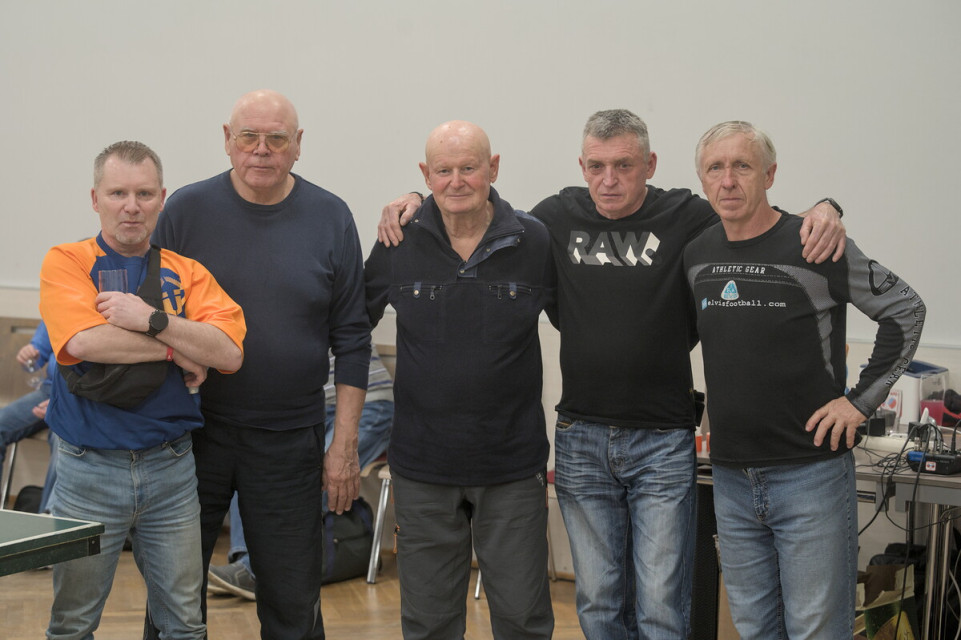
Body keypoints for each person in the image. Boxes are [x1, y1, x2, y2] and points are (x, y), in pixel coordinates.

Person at [377, 109, 846, 638]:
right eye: (596, 166)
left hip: (663, 439)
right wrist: (414, 200)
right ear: (582, 166)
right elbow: (473, 207)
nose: (609, 180)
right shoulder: (551, 219)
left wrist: (826, 207)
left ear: (650, 164)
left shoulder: (687, 215)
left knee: (660, 603)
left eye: (623, 165)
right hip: (581, 436)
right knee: (598, 602)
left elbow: (755, 214)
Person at [684, 121, 925, 638]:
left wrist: (860, 403)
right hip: (730, 478)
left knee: (816, 629)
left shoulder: (816, 243)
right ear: (701, 180)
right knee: (755, 627)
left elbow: (905, 310)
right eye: (715, 168)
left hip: (810, 477)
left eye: (742, 166)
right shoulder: (697, 254)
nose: (728, 180)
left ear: (770, 174)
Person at [147, 89, 371, 639]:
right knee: (173, 597)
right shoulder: (185, 211)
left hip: (290, 439)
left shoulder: (331, 216)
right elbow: (152, 315)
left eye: (276, 138)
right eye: (248, 136)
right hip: (191, 434)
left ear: (298, 144)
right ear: (227, 140)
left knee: (293, 601)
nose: (261, 149)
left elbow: (352, 340)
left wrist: (343, 445)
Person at [39, 140, 246, 640]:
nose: (131, 206)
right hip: (88, 471)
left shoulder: (187, 272)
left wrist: (152, 319)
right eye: (118, 193)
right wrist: (178, 350)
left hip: (170, 470)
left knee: (184, 624)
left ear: (161, 199)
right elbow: (85, 342)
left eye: (144, 194)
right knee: (73, 624)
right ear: (96, 199)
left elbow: (229, 353)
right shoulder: (67, 261)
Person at [366, 121, 556, 639]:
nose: (456, 181)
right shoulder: (397, 240)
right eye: (443, 170)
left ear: (492, 168)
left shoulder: (534, 240)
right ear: (425, 174)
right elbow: (351, 323)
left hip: (511, 468)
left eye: (469, 167)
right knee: (428, 624)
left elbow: (577, 324)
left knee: (523, 621)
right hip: (422, 469)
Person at [208, 345, 394, 600]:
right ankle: (245, 562)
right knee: (249, 464)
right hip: (310, 407)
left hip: (368, 404)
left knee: (307, 478)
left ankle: (256, 571)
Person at [1, 322, 58, 512]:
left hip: (80, 395)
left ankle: (48, 521)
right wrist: (28, 357)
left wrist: (63, 405)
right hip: (48, 390)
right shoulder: (55, 307)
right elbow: (35, 361)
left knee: (63, 441)